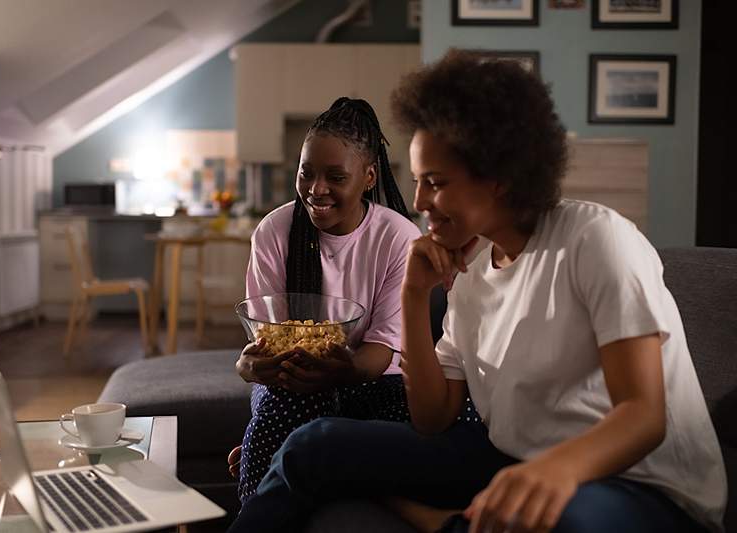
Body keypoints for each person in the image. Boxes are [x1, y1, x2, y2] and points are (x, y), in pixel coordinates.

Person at [227, 50, 727, 533]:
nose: (419, 201)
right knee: (312, 445)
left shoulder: (595, 239)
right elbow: (432, 417)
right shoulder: (470, 270)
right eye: (419, 181)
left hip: (640, 483)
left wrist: (553, 472)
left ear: (501, 179)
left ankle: (445, 523)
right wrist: (414, 295)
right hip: (509, 457)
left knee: (553, 518)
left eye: (436, 183)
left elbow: (643, 417)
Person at [230, 97, 424, 503]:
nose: (316, 190)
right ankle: (263, 470)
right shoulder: (275, 231)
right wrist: (248, 365)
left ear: (369, 176)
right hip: (292, 381)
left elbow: (379, 353)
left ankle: (269, 453)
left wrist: (341, 370)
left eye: (335, 177)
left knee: (405, 422)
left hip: (374, 378)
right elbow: (271, 340)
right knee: (282, 409)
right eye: (307, 174)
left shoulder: (399, 239)